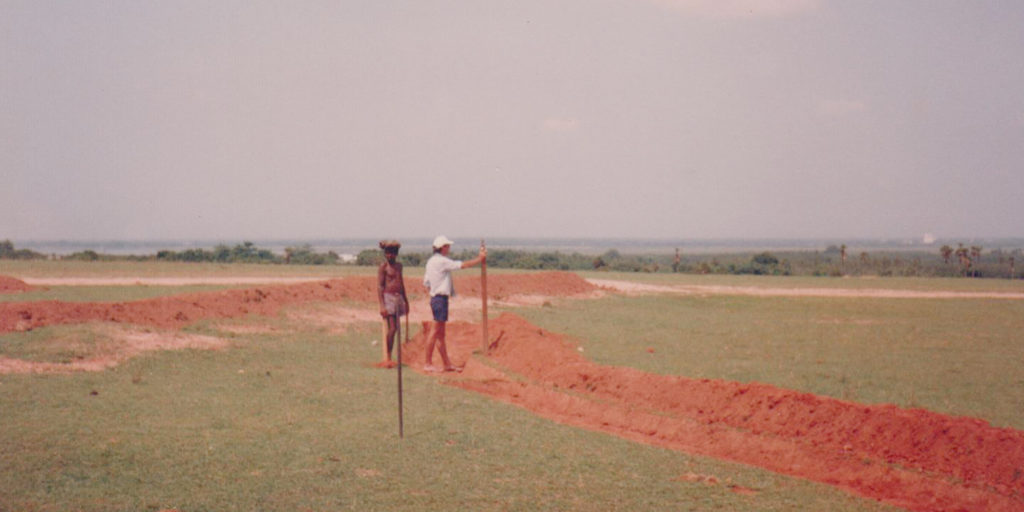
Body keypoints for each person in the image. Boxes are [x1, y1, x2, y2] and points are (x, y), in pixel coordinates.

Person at [422, 235, 486, 372]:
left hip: (436, 298)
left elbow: (426, 283)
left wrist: (433, 293)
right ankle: (427, 363)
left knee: (440, 335)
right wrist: (479, 259)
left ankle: (446, 364)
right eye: (448, 246)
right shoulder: (441, 261)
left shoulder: (430, 262)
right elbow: (462, 265)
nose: (449, 248)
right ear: (443, 248)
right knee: (435, 332)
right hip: (440, 299)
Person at [377, 240, 409, 367]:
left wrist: (406, 301)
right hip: (388, 298)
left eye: (392, 253)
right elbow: (380, 286)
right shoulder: (383, 267)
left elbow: (401, 283)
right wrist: (382, 305)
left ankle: (393, 356)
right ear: (385, 254)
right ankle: (388, 356)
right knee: (393, 328)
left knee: (397, 328)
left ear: (396, 254)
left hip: (398, 297)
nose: (390, 255)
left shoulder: (399, 266)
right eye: (388, 253)